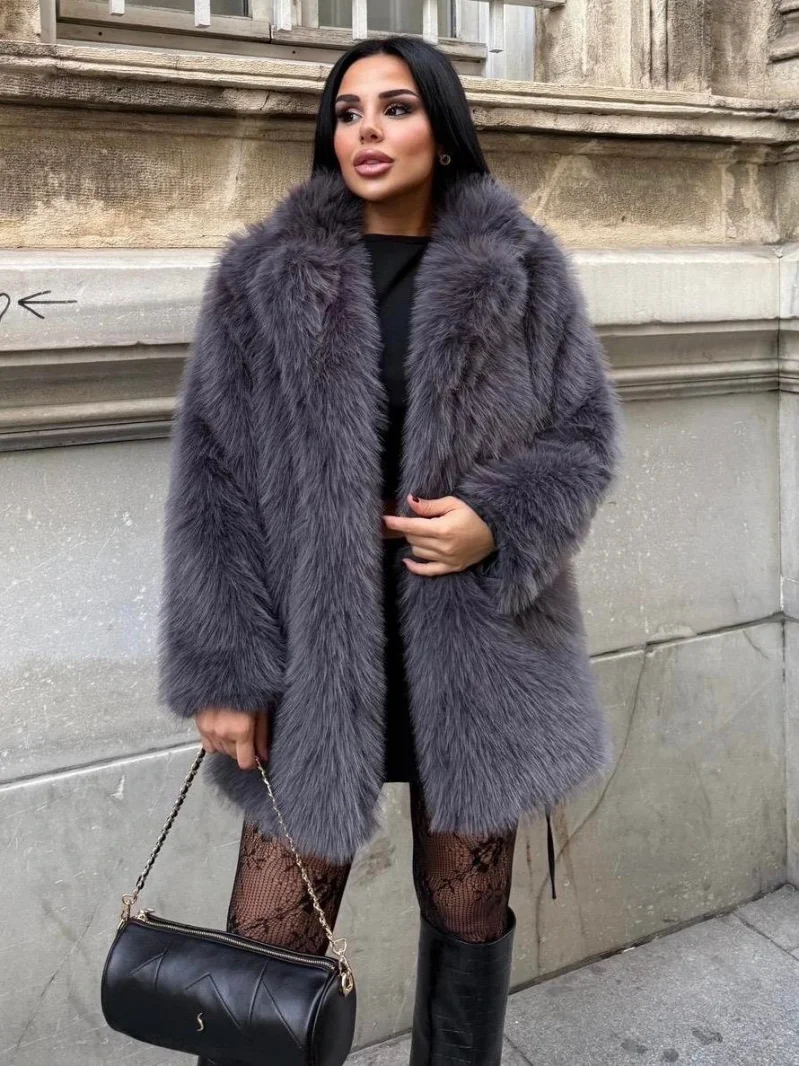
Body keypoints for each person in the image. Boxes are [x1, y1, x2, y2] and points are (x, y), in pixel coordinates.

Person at [156, 33, 622, 1066]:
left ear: (442, 131)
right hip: (314, 654)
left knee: (465, 912)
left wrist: (494, 519)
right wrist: (225, 671)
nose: (366, 130)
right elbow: (212, 479)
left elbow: (585, 438)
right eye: (348, 111)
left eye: (396, 107)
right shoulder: (260, 278)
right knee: (269, 933)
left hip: (479, 648)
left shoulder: (522, 268)